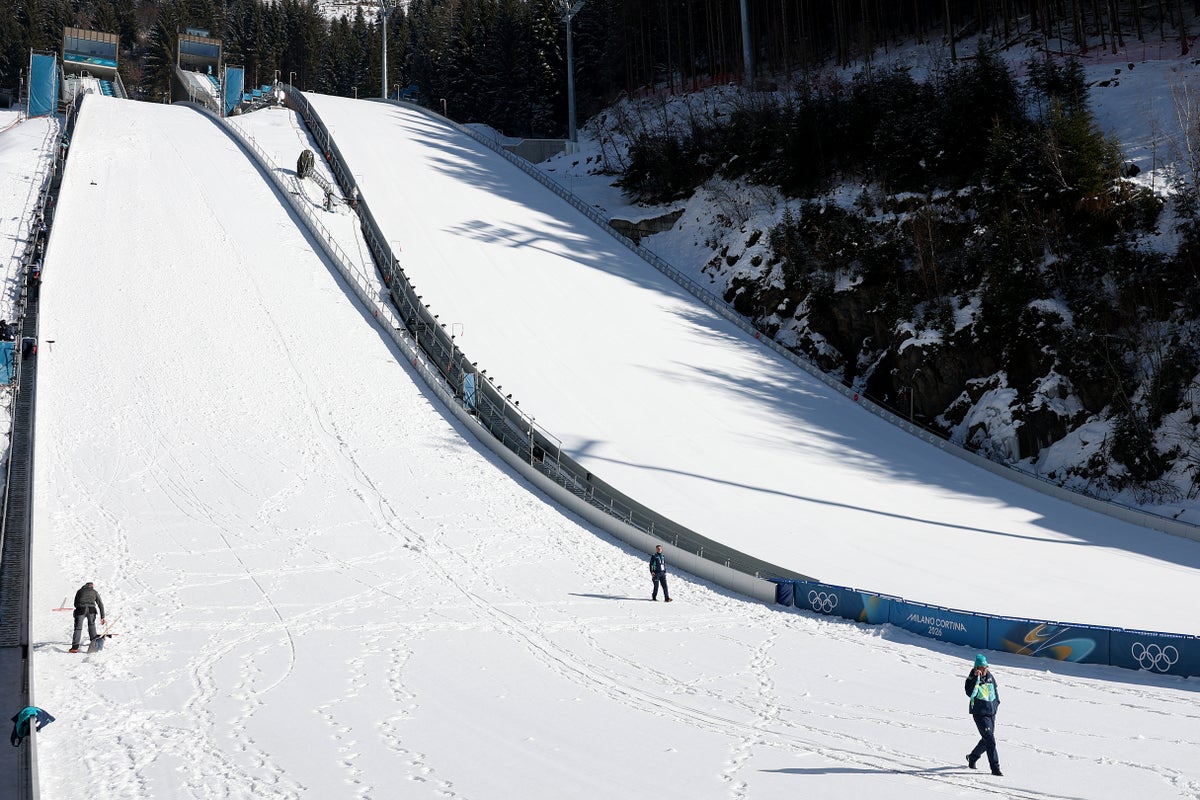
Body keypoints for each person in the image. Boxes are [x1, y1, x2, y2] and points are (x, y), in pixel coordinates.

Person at [965, 653, 1002, 776]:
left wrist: (997, 704)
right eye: (982, 667)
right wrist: (976, 679)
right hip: (980, 714)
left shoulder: (990, 676)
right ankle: (995, 768)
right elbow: (970, 693)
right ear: (977, 668)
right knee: (990, 740)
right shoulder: (972, 679)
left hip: (991, 712)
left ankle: (973, 757)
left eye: (986, 667)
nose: (985, 669)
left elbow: (995, 691)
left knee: (986, 739)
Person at [69, 581, 106, 653]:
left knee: (78, 628)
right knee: (91, 625)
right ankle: (94, 644)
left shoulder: (79, 591)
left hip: (81, 609)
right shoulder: (94, 592)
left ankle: (75, 648)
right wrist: (102, 617)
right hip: (91, 610)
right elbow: (100, 604)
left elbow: (75, 603)